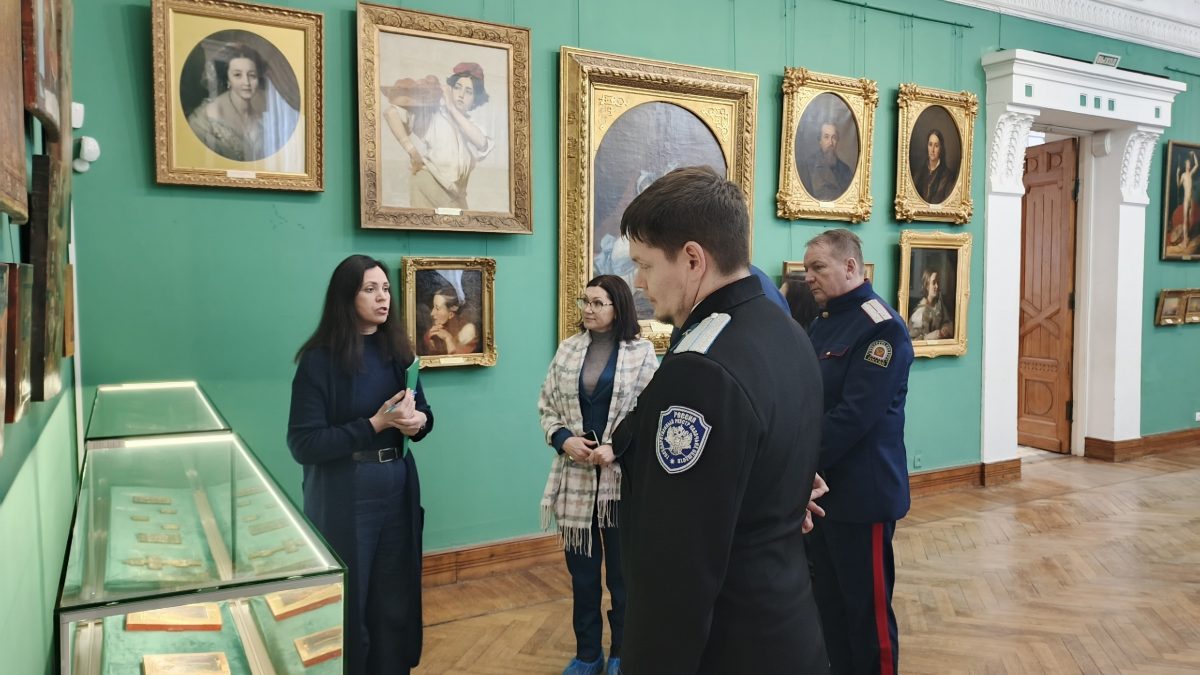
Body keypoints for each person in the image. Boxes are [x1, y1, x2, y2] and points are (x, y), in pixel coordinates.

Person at [609, 166, 829, 673]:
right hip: (788, 622)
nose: (638, 282)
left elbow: (677, 568)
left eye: (644, 265)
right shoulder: (785, 331)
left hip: (730, 642)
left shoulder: (699, 371)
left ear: (692, 259)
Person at [287, 255, 434, 675]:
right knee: (351, 602)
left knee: (394, 599)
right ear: (346, 297)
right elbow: (304, 443)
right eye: (370, 289)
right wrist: (375, 424)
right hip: (345, 494)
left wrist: (417, 423)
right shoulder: (318, 360)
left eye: (385, 289)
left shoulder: (399, 354)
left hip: (397, 486)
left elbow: (424, 415)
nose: (382, 297)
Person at [803, 229, 914, 675]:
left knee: (867, 616)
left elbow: (853, 417)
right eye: (807, 268)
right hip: (820, 494)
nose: (809, 277)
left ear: (851, 267)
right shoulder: (823, 321)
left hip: (860, 495)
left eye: (818, 267)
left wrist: (799, 461)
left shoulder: (882, 328)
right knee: (829, 607)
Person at [538, 274, 658, 675]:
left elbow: (648, 412)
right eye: (584, 301)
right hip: (575, 479)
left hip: (619, 481)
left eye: (597, 303)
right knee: (583, 576)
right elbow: (547, 406)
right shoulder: (568, 349)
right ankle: (588, 654)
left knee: (623, 577)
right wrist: (563, 440)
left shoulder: (641, 352)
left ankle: (623, 652)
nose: (587, 309)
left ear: (618, 308)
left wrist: (615, 447)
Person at [382, 62, 494, 210]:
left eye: (468, 92)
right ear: (450, 89)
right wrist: (412, 150)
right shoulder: (433, 114)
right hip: (429, 183)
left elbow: (482, 143)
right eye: (457, 87)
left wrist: (452, 108)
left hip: (456, 195)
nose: (461, 95)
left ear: (475, 99)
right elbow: (390, 113)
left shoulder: (471, 126)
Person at [186, 44, 269, 161]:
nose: (246, 82)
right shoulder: (204, 120)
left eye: (252, 75)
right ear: (227, 79)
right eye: (237, 75)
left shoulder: (262, 118)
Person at [797, 121, 855, 201]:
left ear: (837, 141)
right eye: (826, 137)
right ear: (820, 141)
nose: (830, 142)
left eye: (834, 137)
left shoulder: (845, 170)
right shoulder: (808, 166)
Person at [422, 286, 479, 355]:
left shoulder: (468, 331)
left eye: (437, 308)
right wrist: (429, 340)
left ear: (451, 314)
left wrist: (448, 339)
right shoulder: (435, 329)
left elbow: (459, 359)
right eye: (433, 307)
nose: (432, 313)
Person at [908, 267, 953, 340]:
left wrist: (945, 328)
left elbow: (947, 321)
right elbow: (913, 340)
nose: (937, 286)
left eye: (938, 282)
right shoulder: (919, 312)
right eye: (934, 283)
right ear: (926, 286)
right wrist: (929, 337)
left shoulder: (939, 304)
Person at [913, 128, 954, 204]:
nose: (932, 150)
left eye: (936, 146)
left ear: (941, 148)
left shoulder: (948, 176)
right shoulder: (918, 174)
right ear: (927, 146)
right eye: (930, 144)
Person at [1172, 149, 1198, 250]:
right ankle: (1185, 240)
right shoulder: (1183, 175)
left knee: (1190, 219)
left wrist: (1194, 154)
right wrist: (1177, 173)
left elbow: (1197, 165)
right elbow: (1178, 185)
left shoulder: (1190, 174)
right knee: (1185, 219)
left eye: (1189, 164)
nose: (1189, 165)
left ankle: (1187, 237)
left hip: (1191, 199)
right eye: (1187, 164)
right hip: (1186, 199)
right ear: (1185, 165)